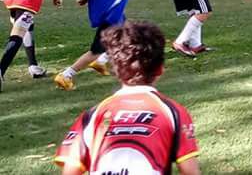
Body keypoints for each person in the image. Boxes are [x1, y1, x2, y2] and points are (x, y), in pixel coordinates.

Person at [53, 21, 201, 175]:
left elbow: (70, 171)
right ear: (160, 69)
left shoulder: (92, 115)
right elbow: (190, 171)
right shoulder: (174, 113)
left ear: (115, 70)